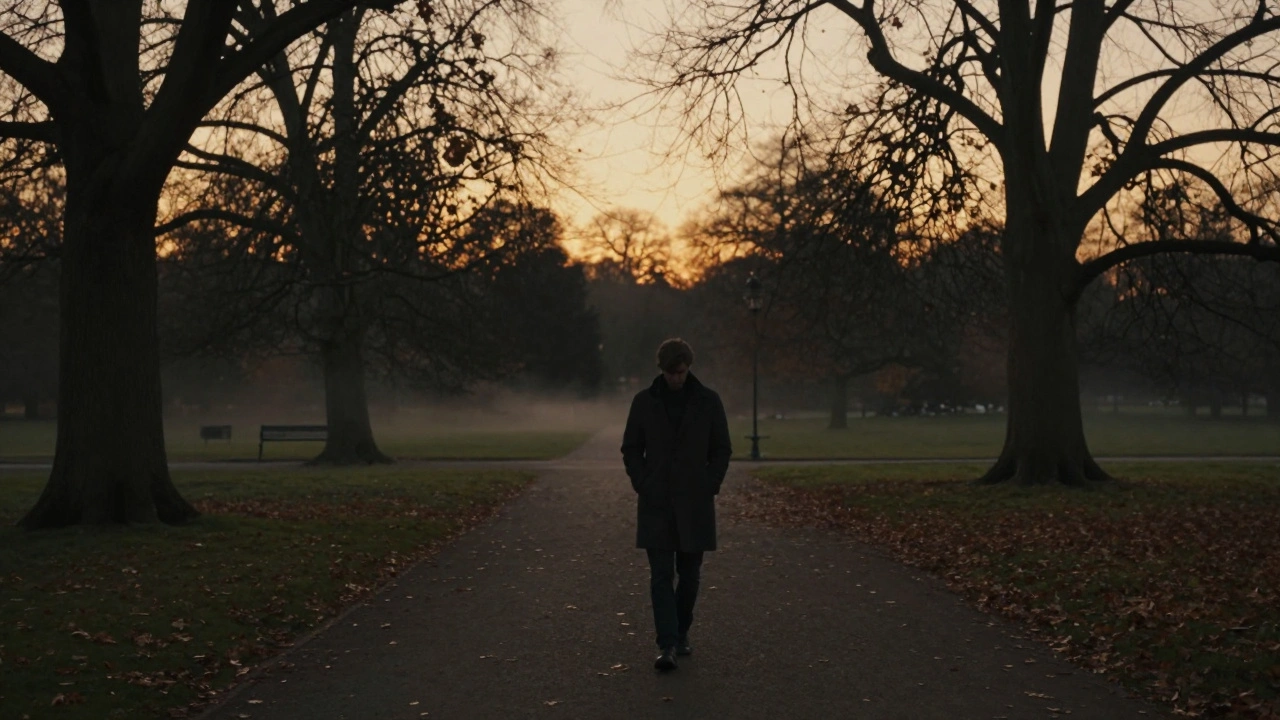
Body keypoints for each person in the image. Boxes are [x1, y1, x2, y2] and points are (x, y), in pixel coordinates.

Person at [621, 338, 732, 671]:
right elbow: (630, 448)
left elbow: (722, 449)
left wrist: (709, 484)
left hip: (694, 500)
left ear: (688, 368)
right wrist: (643, 482)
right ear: (662, 370)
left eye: (681, 373)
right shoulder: (644, 403)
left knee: (690, 575)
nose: (676, 379)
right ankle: (667, 643)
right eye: (671, 373)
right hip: (657, 500)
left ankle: (681, 633)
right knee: (660, 575)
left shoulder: (708, 402)